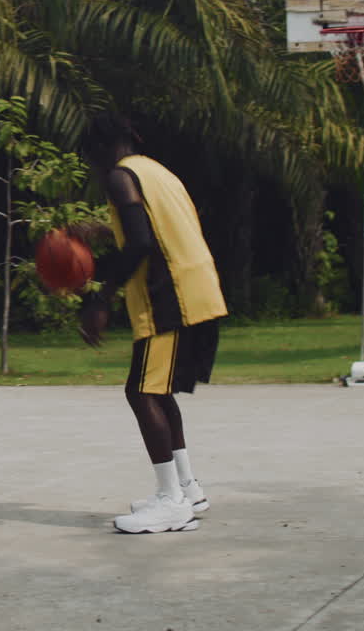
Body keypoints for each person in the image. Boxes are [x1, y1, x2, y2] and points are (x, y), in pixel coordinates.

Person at [77, 121, 227, 534]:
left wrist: (100, 299)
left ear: (101, 152)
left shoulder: (119, 176)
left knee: (141, 392)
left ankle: (171, 503)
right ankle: (185, 487)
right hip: (195, 288)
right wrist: (101, 232)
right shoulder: (157, 172)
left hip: (170, 295)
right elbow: (154, 229)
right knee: (157, 392)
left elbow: (142, 243)